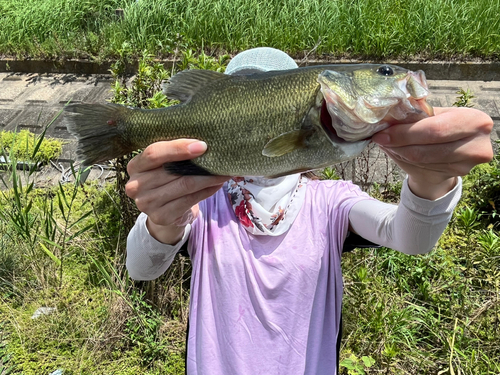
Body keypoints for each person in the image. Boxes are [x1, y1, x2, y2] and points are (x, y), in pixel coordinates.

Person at [125, 48, 493, 375]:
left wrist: (432, 182)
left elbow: (412, 239)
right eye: (246, 91)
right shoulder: (201, 199)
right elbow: (142, 268)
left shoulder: (331, 201)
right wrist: (162, 218)